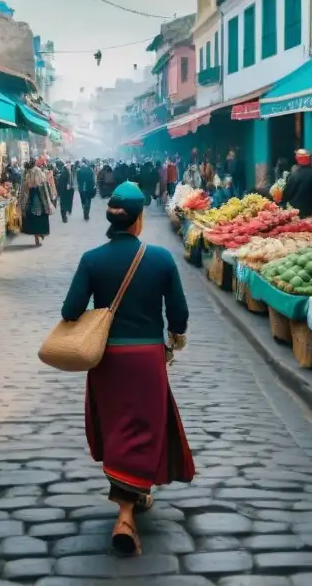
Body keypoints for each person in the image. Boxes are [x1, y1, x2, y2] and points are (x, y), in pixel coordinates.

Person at [61, 181, 195, 556]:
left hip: (108, 361)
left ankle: (129, 499)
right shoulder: (161, 259)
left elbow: (70, 311)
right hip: (148, 359)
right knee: (145, 428)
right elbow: (179, 314)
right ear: (138, 221)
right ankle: (126, 512)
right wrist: (175, 338)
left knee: (118, 427)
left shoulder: (91, 259)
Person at [19, 160, 53, 246]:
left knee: (33, 220)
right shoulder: (40, 173)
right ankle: (41, 234)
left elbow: (23, 190)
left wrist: (21, 202)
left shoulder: (27, 175)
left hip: (30, 200)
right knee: (41, 219)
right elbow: (46, 189)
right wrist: (50, 200)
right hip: (41, 201)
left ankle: (37, 238)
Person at [283, 149, 312, 217]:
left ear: (297, 159)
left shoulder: (291, 176)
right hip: (308, 215)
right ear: (310, 159)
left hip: (292, 214)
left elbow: (285, 195)